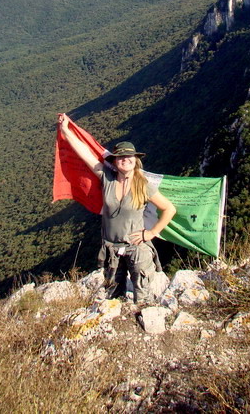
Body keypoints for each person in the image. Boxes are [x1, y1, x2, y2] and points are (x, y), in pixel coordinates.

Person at [57, 113, 176, 304]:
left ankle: (143, 321)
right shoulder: (107, 178)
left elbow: (169, 209)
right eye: (120, 157)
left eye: (129, 156)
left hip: (137, 248)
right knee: (112, 295)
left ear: (136, 160)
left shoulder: (143, 185)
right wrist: (66, 130)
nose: (125, 159)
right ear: (114, 161)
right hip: (111, 248)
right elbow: (85, 153)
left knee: (143, 296)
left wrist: (152, 232)